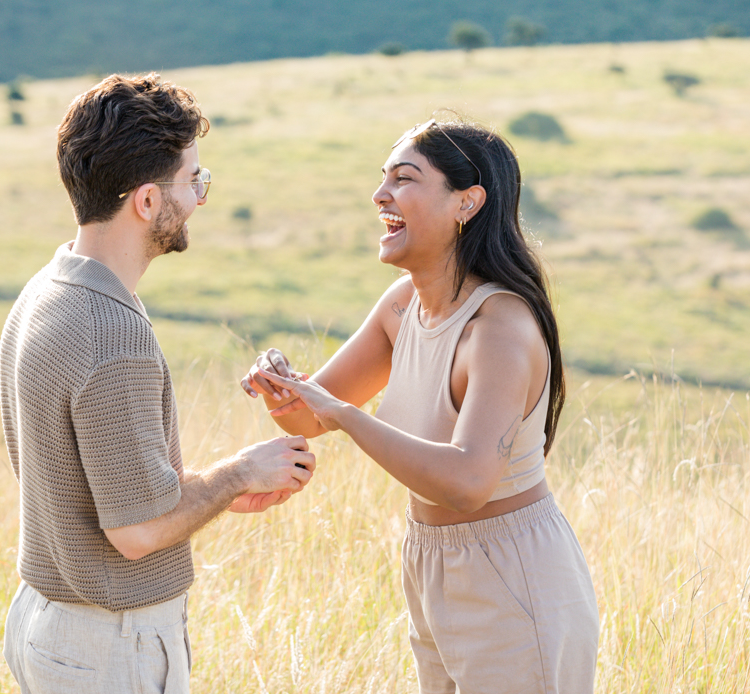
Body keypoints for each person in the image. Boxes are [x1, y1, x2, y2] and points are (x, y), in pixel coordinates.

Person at [241, 118, 599, 693]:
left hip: (514, 577)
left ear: (467, 202)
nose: (380, 195)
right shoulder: (403, 305)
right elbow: (310, 417)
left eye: (404, 179)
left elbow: (467, 482)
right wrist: (281, 388)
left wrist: (347, 415)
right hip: (430, 563)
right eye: (382, 179)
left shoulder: (499, 329)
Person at [0, 73, 315, 694]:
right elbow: (136, 532)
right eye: (193, 181)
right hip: (108, 647)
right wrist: (239, 474)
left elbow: (97, 485)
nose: (200, 196)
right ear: (147, 201)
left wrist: (209, 494)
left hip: (46, 621)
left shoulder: (48, 289)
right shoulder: (112, 335)